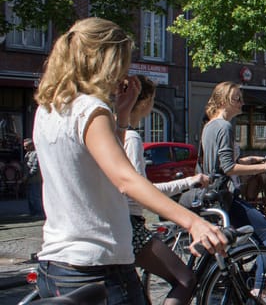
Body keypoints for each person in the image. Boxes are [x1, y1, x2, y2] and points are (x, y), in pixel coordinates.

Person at [32, 17, 226, 305]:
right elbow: (125, 178)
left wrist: (121, 118)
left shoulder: (49, 109)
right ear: (106, 59)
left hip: (56, 266)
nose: (125, 70)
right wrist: (193, 222)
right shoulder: (92, 110)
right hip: (98, 266)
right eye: (123, 60)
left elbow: (95, 170)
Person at [123, 75, 208, 305]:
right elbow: (140, 191)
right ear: (145, 101)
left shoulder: (108, 132)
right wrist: (189, 182)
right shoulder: (130, 137)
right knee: (185, 280)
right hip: (128, 226)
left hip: (108, 225)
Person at [199, 81, 266, 296]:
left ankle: (241, 282)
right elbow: (227, 168)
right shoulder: (224, 126)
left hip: (213, 195)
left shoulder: (209, 126)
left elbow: (216, 164)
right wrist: (264, 166)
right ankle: (259, 288)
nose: (242, 102)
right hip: (226, 195)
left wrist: (248, 160)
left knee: (245, 241)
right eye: (238, 98)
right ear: (225, 100)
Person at [23, 138, 43, 218]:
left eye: (26, 146)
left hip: (34, 179)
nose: (25, 148)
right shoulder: (27, 154)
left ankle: (39, 213)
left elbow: (35, 167)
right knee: (30, 197)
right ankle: (32, 212)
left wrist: (27, 176)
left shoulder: (35, 154)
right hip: (28, 179)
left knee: (35, 196)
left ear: (31, 145)